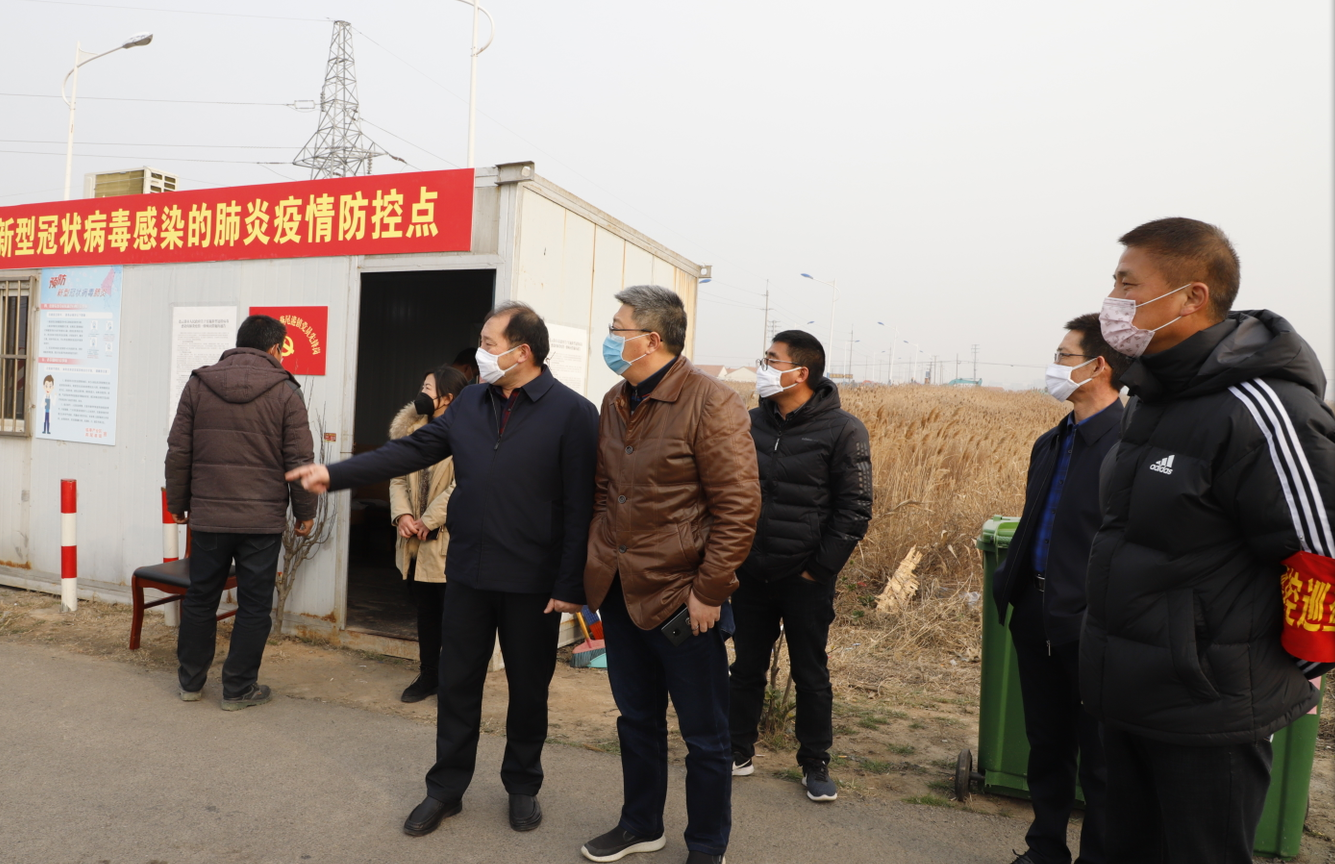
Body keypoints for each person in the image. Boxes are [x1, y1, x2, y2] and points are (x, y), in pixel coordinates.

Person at [287, 301, 598, 837]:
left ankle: (522, 784)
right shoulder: (472, 402)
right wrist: (335, 475)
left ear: (522, 352)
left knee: (529, 691)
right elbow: (412, 450)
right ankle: (445, 790)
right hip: (469, 573)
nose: (481, 352)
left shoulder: (573, 412)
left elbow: (581, 506)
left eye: (490, 344)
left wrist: (571, 584)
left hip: (534, 582)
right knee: (457, 686)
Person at [1084, 217, 1333, 864]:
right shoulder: (1154, 395)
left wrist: (1293, 673)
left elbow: (1321, 552)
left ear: (1191, 296)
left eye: (1126, 284)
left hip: (1208, 711)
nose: (1112, 300)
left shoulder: (1262, 407)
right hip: (1129, 694)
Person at [579, 285, 761, 864]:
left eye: (618, 328)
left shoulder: (711, 401)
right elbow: (605, 492)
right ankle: (640, 825)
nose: (611, 338)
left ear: (651, 339)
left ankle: (706, 844)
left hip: (684, 599)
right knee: (636, 720)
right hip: (620, 591)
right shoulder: (615, 400)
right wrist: (597, 566)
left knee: (705, 735)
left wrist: (709, 592)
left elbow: (738, 508)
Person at [991, 314, 1129, 864]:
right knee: (1046, 745)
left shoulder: (1131, 445)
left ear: (1099, 366)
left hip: (1094, 625)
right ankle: (1044, 848)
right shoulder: (1051, 442)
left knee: (1101, 758)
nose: (1054, 366)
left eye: (1063, 356)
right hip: (1035, 612)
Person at [728, 330, 872, 802]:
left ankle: (814, 762)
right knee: (745, 667)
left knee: (811, 672)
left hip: (805, 577)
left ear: (800, 373)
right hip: (751, 573)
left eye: (771, 359)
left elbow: (855, 509)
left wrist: (817, 570)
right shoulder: (748, 423)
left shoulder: (843, 430)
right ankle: (737, 750)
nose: (763, 367)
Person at [165, 314, 315, 710]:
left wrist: (177, 503)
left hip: (210, 516)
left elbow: (179, 451)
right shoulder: (286, 391)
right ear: (276, 348)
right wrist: (305, 511)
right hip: (261, 522)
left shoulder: (199, 384)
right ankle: (238, 688)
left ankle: (190, 683)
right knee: (253, 605)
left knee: (201, 598)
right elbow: (300, 459)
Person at [390, 364, 469, 703]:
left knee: (454, 618)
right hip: (413, 541)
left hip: (447, 540)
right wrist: (403, 515)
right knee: (426, 614)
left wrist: (429, 519)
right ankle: (429, 676)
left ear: (447, 398)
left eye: (427, 388)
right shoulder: (412, 430)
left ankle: (453, 681)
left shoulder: (467, 433)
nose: (421, 394)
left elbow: (463, 483)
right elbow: (397, 477)